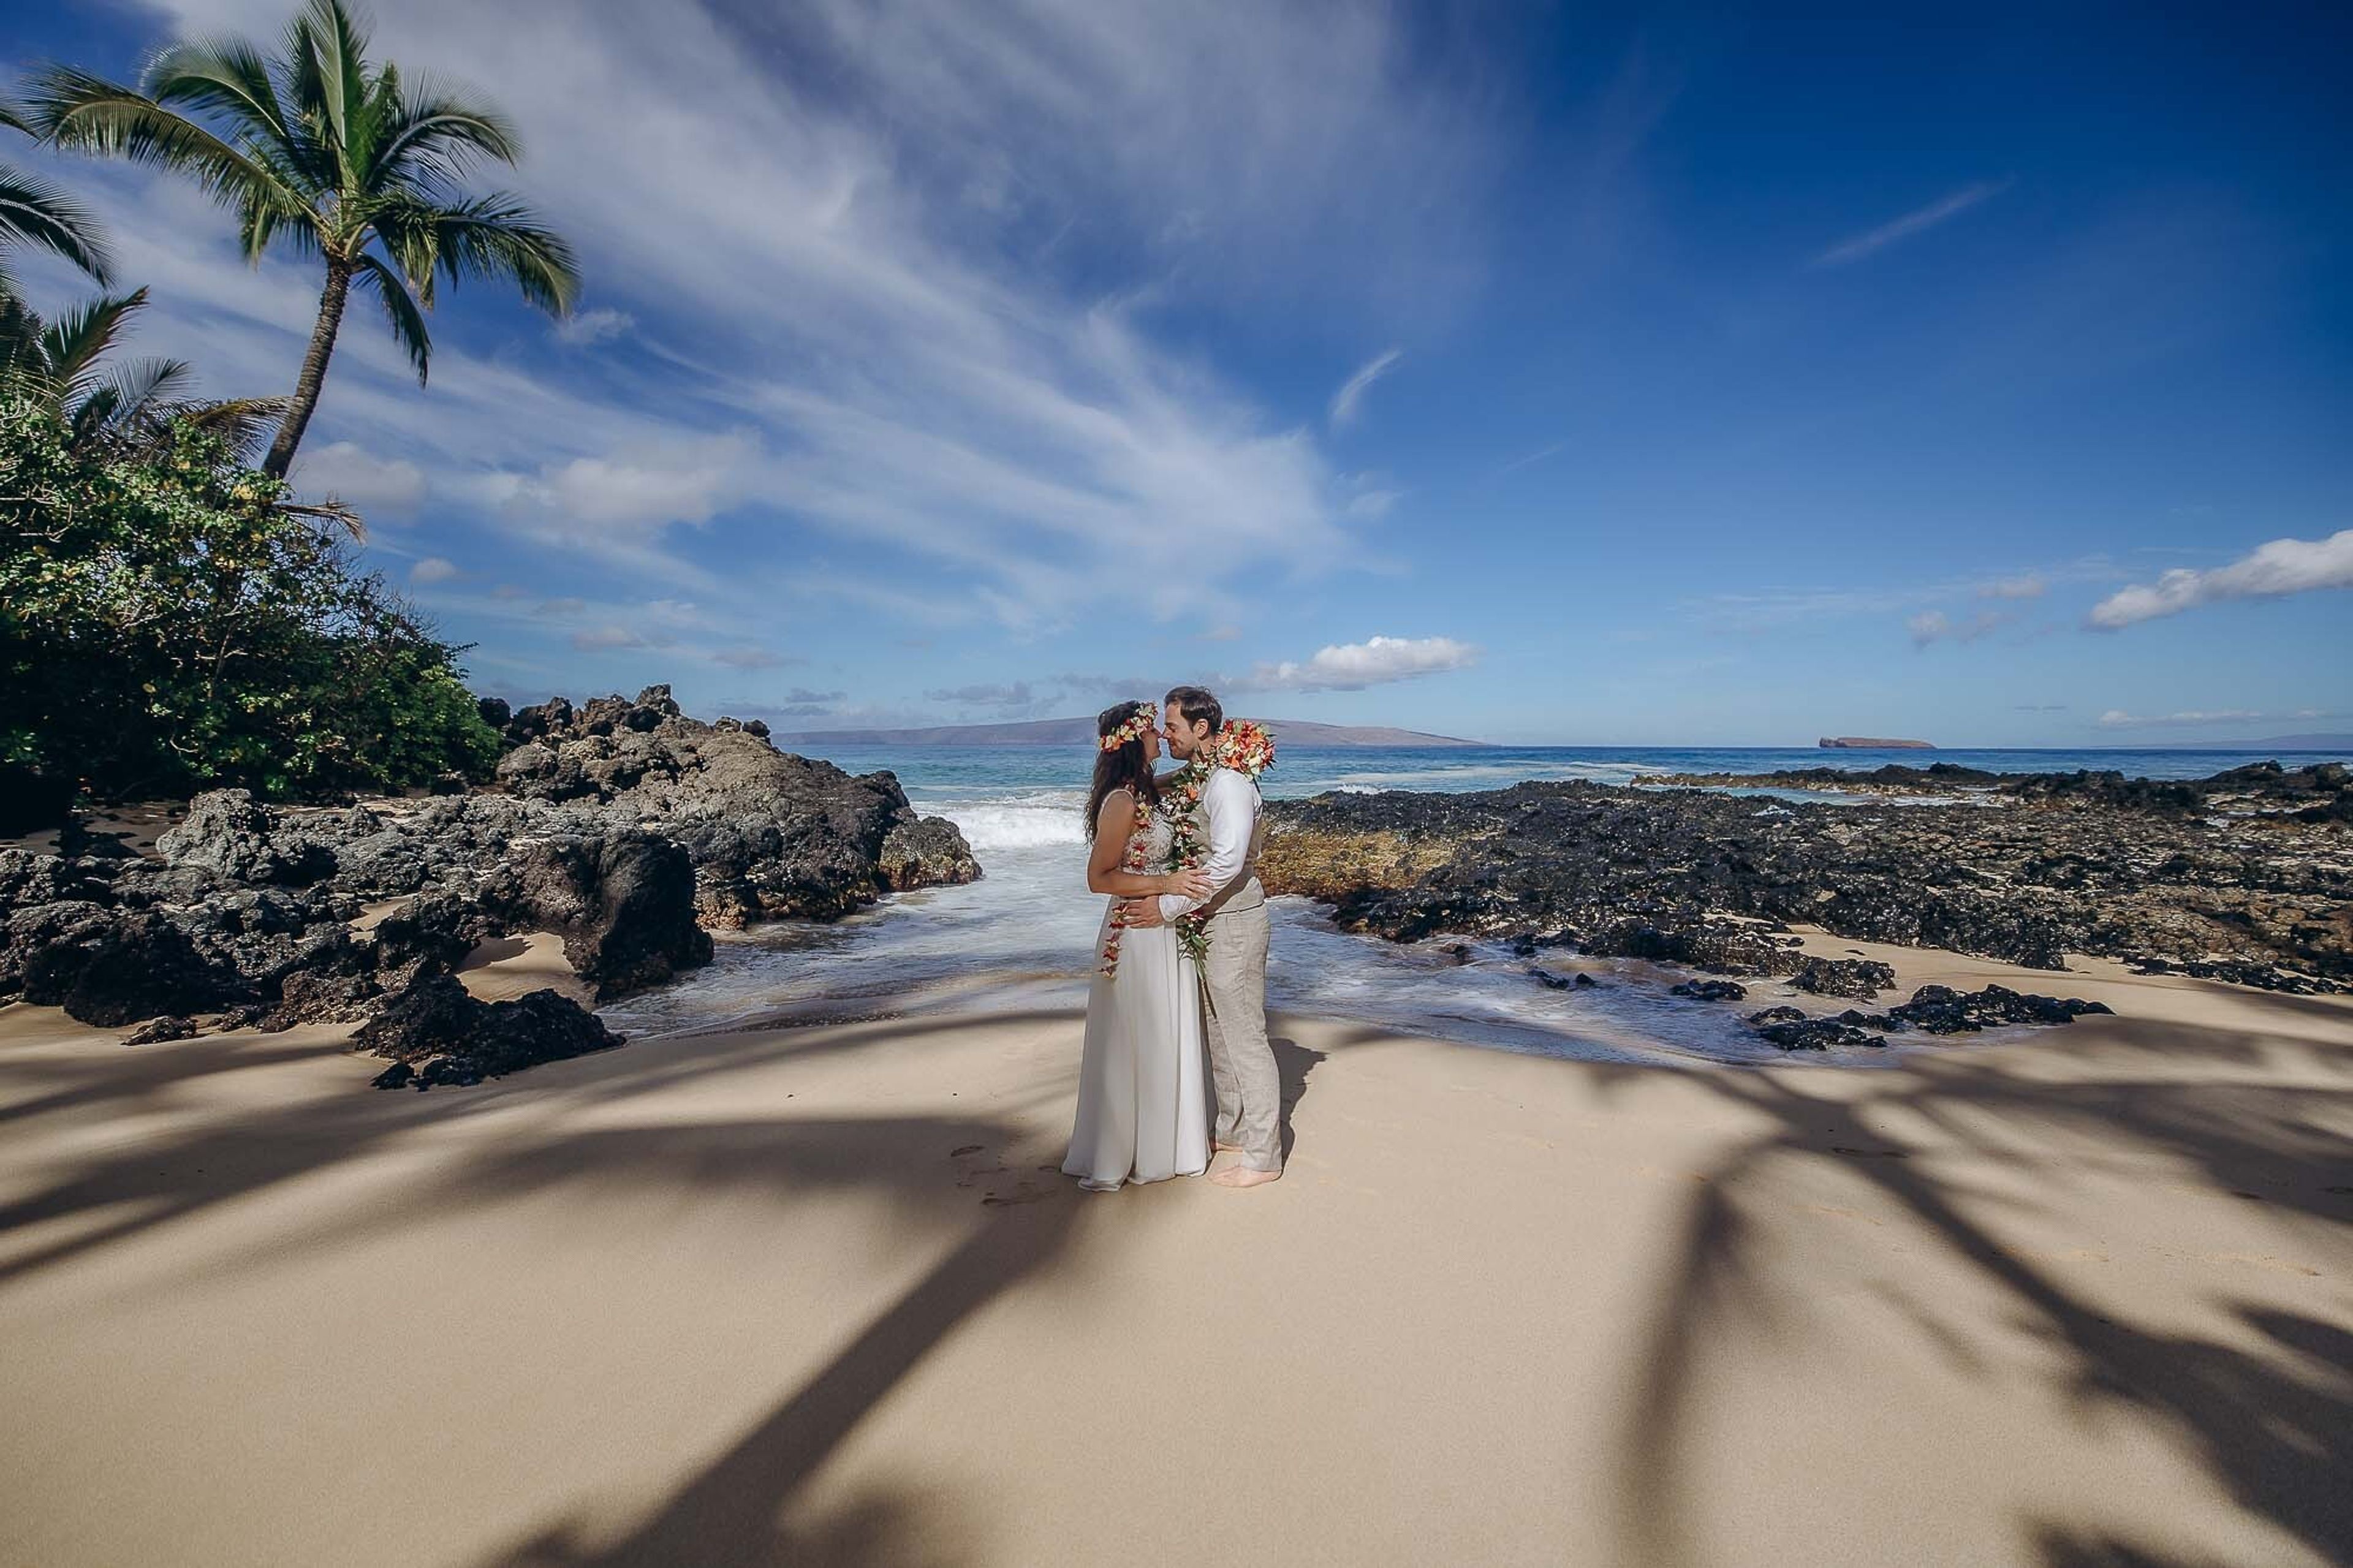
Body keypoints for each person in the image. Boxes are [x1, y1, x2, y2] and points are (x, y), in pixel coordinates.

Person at [1120, 685, 1281, 1189]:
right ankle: (1231, 1131)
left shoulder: (1229, 781)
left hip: (1235, 919)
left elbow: (1229, 859)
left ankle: (1263, 1155)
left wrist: (1167, 906)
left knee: (1244, 1037)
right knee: (1219, 1032)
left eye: (1172, 727)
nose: (1166, 736)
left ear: (1201, 729)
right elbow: (1167, 789)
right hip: (1212, 920)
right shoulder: (1204, 775)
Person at [1061, 700, 1217, 1192]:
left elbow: (1193, 774)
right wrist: (1167, 882)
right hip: (1133, 933)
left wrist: (1223, 754)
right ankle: (1127, 1149)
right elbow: (1098, 878)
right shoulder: (1121, 802)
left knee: (1162, 1033)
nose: (1159, 734)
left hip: (1161, 929)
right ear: (1133, 742)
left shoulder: (1147, 791)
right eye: (1151, 730)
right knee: (1138, 1036)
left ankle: (1164, 1144)